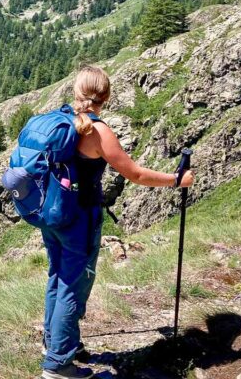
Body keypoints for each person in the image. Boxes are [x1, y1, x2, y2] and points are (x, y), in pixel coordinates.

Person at [41, 65, 194, 379]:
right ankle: (57, 365)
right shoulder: (97, 131)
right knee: (73, 284)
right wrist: (176, 180)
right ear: (106, 97)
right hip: (80, 216)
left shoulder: (59, 119)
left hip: (52, 212)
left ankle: (56, 342)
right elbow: (135, 174)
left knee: (58, 276)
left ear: (76, 91)